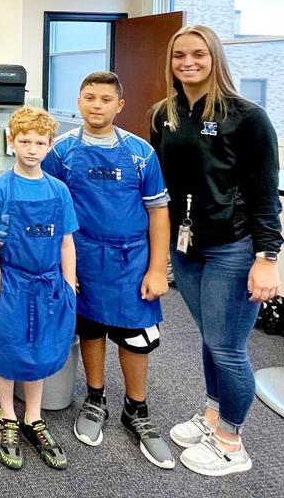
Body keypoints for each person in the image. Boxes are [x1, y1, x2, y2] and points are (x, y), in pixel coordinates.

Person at [150, 24, 282, 477]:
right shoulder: (162, 114)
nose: (187, 63)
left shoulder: (247, 117)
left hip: (234, 247)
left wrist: (267, 258)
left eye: (198, 55)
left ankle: (231, 441)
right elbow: (156, 188)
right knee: (211, 338)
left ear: (215, 58)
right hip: (187, 247)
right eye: (179, 55)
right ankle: (212, 416)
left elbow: (265, 193)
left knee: (227, 347)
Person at [42, 71, 174, 469]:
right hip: (80, 257)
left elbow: (159, 212)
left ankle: (137, 408)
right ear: (78, 102)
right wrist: (60, 264)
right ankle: (95, 398)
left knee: (134, 335)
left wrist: (156, 268)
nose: (96, 105)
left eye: (105, 99)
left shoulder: (140, 153)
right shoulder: (61, 152)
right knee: (92, 327)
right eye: (89, 97)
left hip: (131, 260)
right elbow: (48, 207)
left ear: (119, 106)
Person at [0, 106, 77, 471]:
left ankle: (34, 416)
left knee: (39, 349)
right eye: (24, 141)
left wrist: (69, 284)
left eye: (39, 142)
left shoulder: (59, 190)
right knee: (7, 346)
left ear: (50, 146)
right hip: (13, 282)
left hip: (49, 284)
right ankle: (6, 414)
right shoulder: (1, 188)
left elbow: (66, 242)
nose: (32, 149)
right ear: (11, 142)